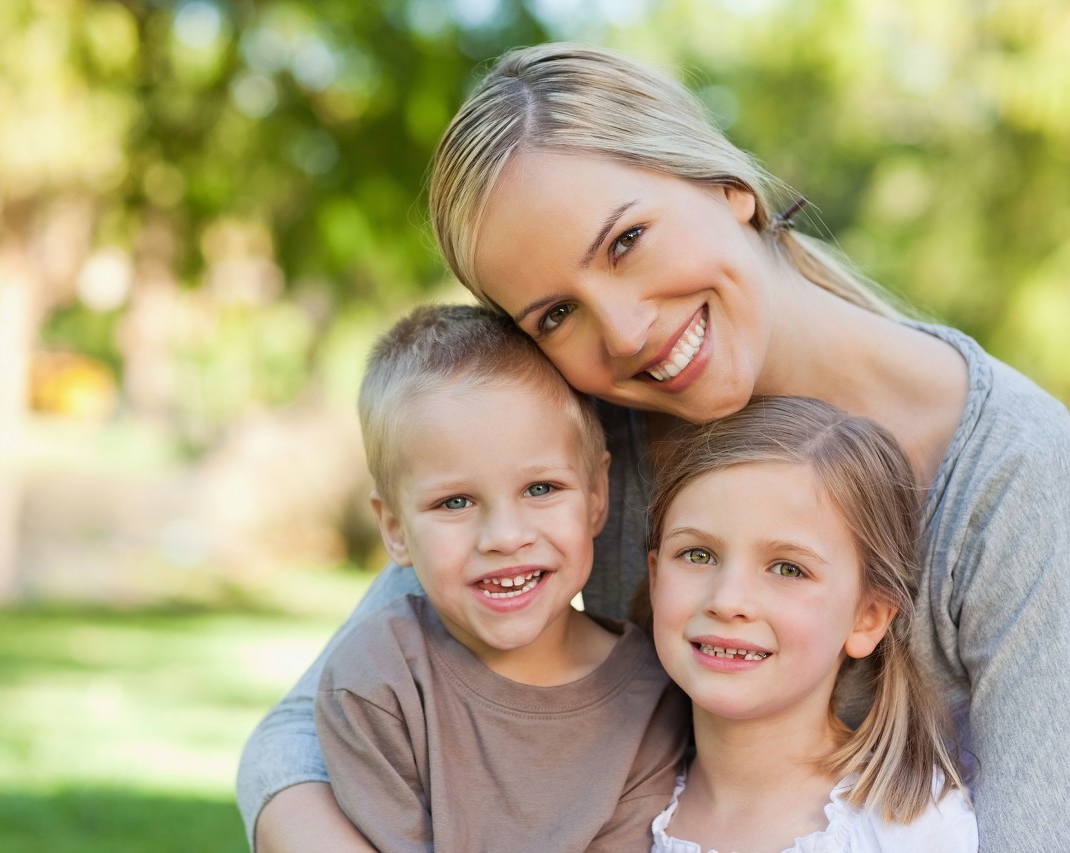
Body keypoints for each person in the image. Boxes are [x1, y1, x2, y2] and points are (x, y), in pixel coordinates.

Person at [237, 43, 1070, 851]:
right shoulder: (580, 461)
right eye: (555, 314)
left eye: (627, 240)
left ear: (725, 186)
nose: (628, 328)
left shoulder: (1019, 476)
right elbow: (294, 740)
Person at [314, 303, 687, 851]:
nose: (504, 536)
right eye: (455, 501)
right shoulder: (376, 682)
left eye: (540, 489)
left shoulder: (656, 692)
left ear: (596, 497)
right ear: (394, 530)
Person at [637, 395, 976, 852]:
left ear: (867, 618)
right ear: (655, 577)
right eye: (698, 555)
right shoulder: (619, 803)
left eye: (788, 568)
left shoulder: (910, 830)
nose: (728, 601)